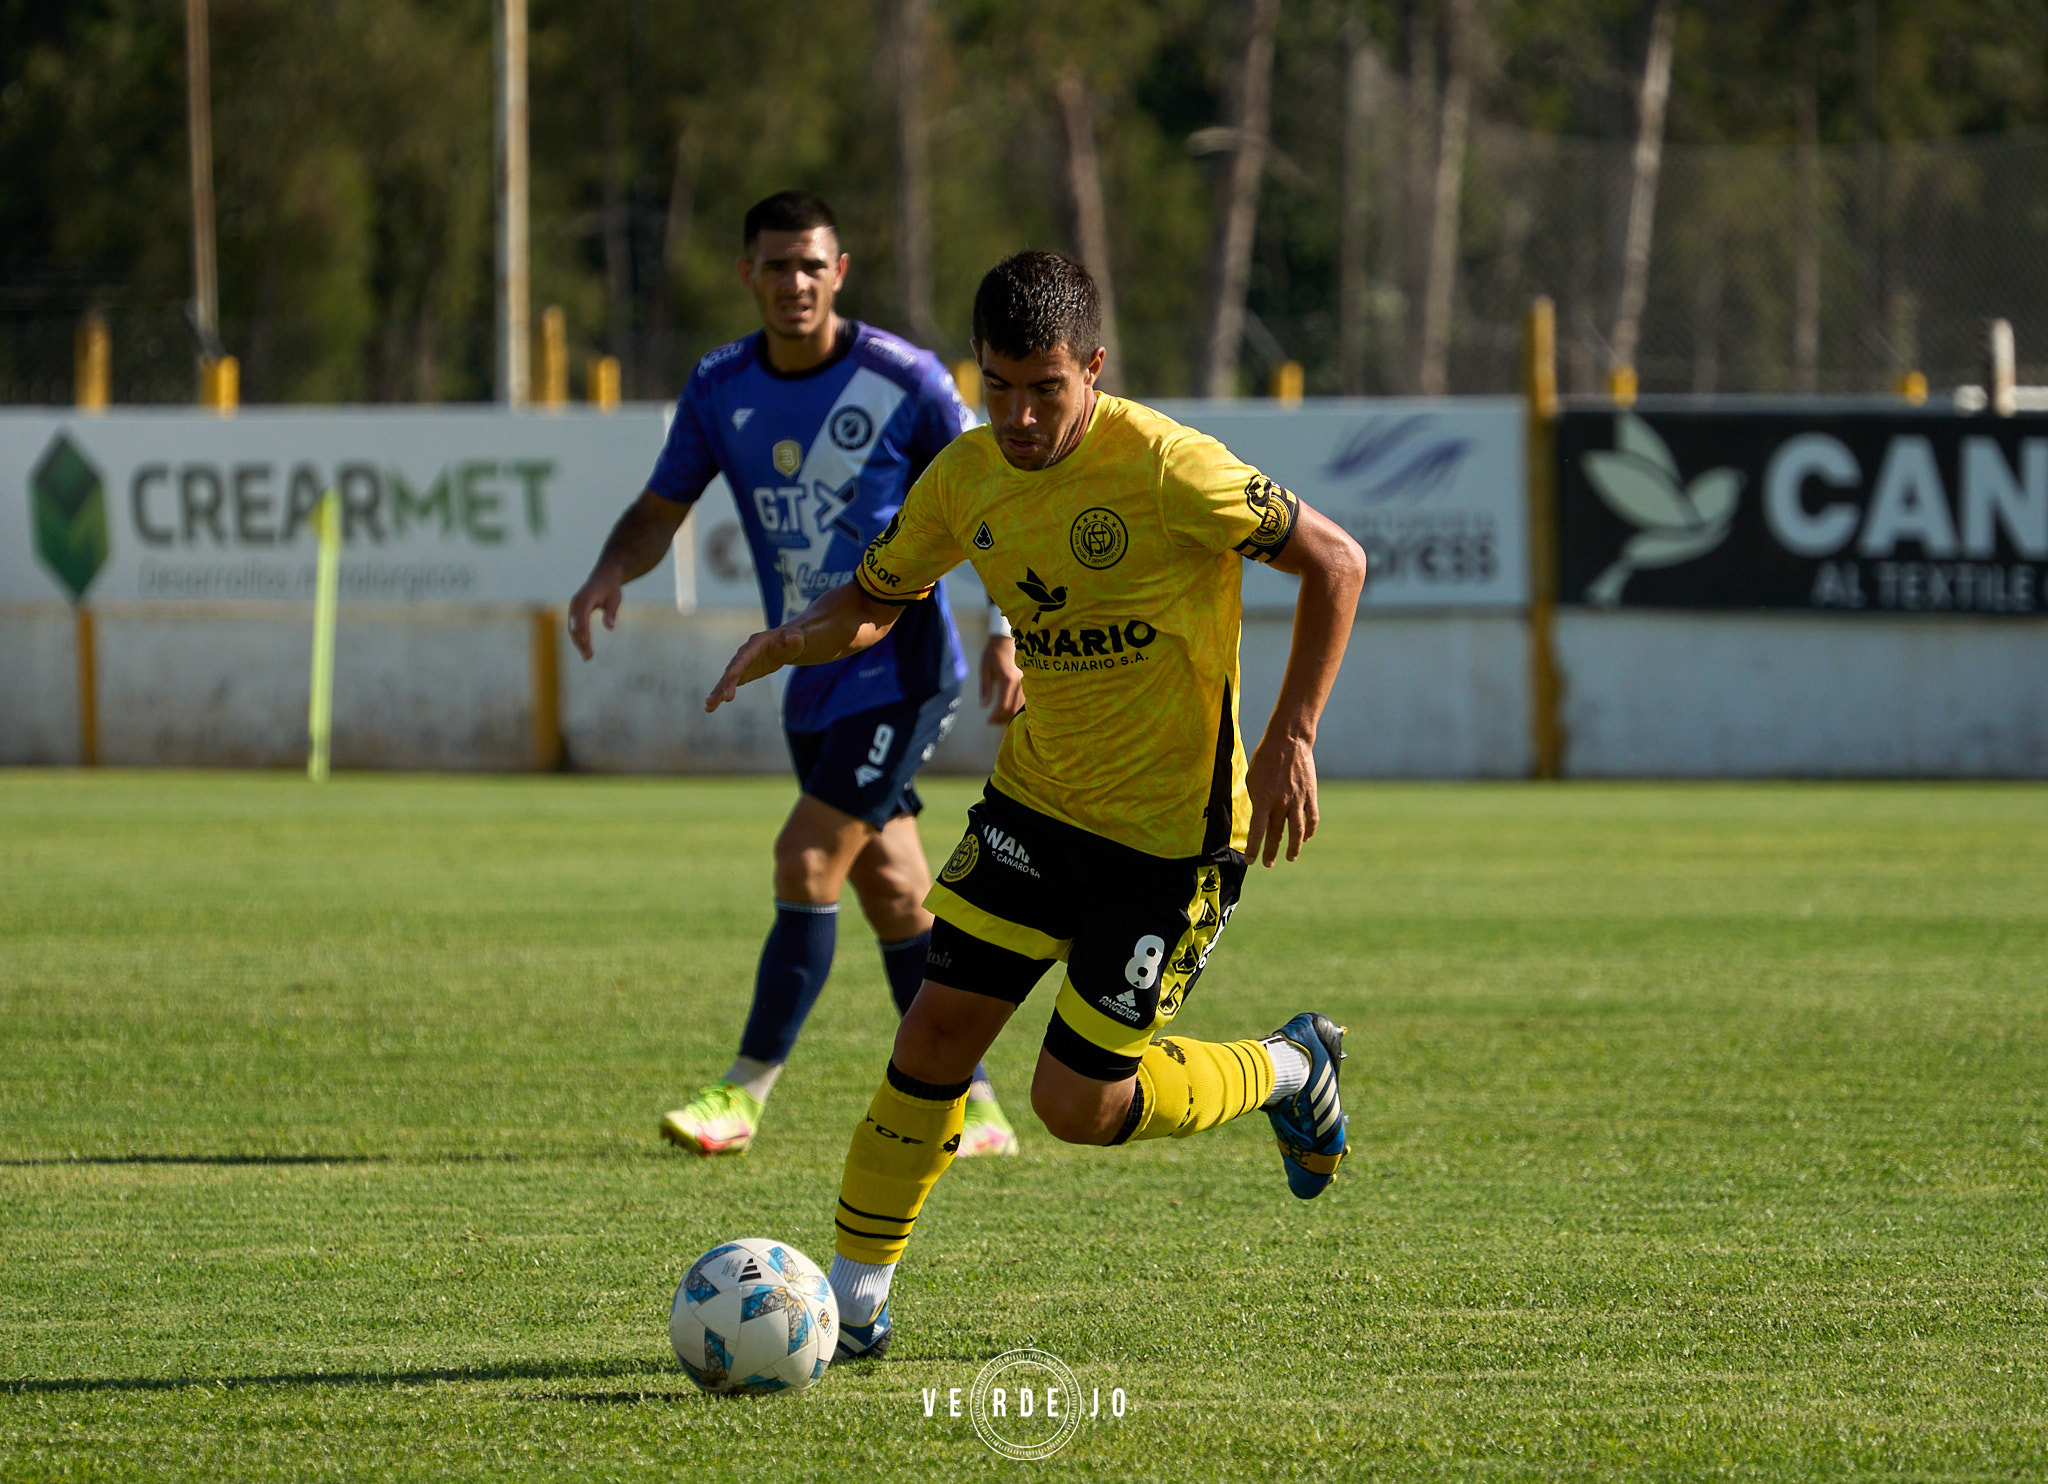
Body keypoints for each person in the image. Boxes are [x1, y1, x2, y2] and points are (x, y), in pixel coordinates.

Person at [704, 249, 1368, 1358]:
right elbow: (874, 596)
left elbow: (1335, 561)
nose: (1016, 414)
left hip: (1171, 839)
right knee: (934, 1033)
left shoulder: (1167, 466)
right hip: (1036, 806)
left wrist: (1290, 732)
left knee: (1076, 1105)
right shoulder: (964, 478)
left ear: (1091, 368)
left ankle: (1291, 1065)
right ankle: (854, 1305)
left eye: (1043, 387)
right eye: (998, 385)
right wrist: (791, 639)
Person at [569, 191, 1025, 1160]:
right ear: (749, 276)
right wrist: (611, 566)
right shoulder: (718, 384)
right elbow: (659, 508)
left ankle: (742, 1093)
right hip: (806, 668)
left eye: (811, 265)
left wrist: (1005, 628)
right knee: (895, 891)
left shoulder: (903, 380)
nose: (794, 283)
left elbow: (986, 505)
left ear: (840, 271)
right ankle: (976, 1102)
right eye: (776, 266)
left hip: (898, 666)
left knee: (806, 856)